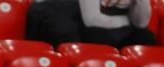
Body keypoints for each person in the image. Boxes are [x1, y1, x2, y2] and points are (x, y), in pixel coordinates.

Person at [27, 0, 155, 49]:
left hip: (90, 18)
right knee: (71, 39)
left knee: (146, 39)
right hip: (56, 12)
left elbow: (141, 23)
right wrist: (127, 22)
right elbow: (92, 19)